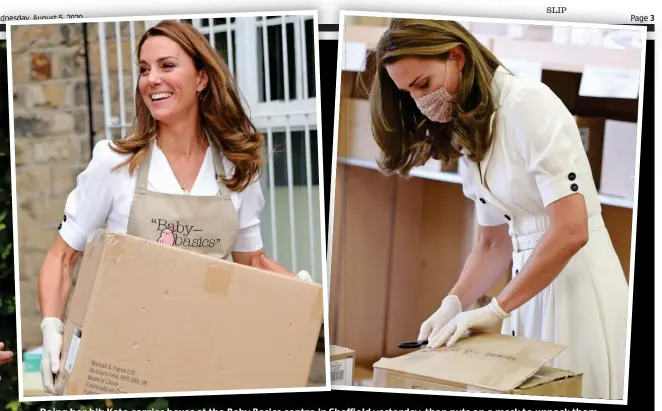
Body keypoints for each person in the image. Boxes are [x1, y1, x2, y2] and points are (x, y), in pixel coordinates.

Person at [37, 20, 313, 394]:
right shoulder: (115, 163)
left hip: (202, 362)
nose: (151, 79)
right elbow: (62, 257)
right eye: (144, 69)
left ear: (201, 79)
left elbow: (253, 263)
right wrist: (51, 327)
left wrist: (304, 296)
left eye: (166, 66)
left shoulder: (236, 170)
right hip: (122, 367)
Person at [366, 18, 629, 400]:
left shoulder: (528, 105)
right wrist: (453, 303)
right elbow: (493, 244)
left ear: (456, 56)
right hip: (526, 290)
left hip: (576, 283)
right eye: (409, 93)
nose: (420, 102)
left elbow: (571, 230)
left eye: (422, 84)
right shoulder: (470, 129)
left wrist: (497, 310)